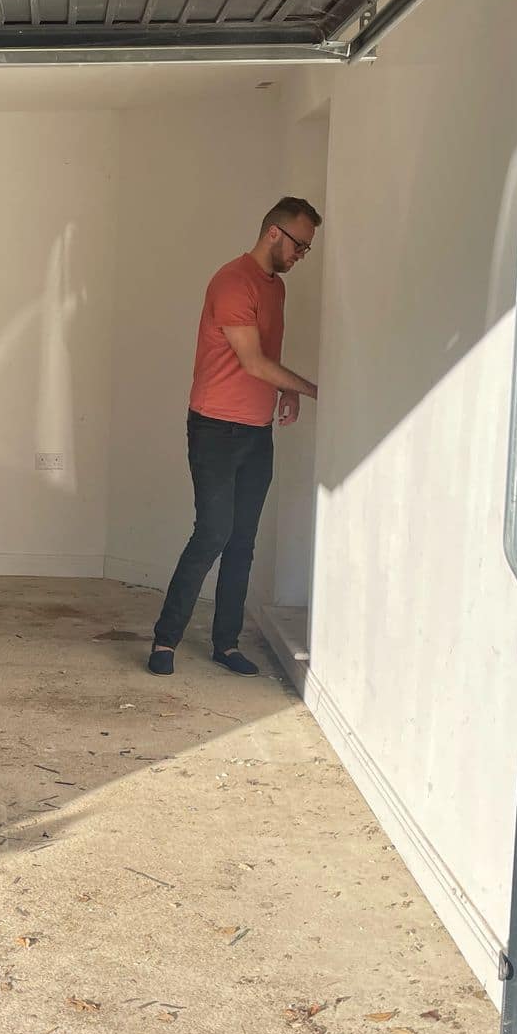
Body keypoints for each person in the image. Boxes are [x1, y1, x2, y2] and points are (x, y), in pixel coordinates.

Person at [148, 196, 321, 677]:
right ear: (274, 233)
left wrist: (288, 396)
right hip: (214, 429)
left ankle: (225, 644)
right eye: (300, 245)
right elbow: (252, 361)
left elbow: (270, 351)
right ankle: (165, 641)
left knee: (242, 541)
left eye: (306, 249)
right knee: (213, 533)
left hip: (255, 432)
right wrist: (312, 388)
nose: (301, 256)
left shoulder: (276, 290)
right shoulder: (231, 282)